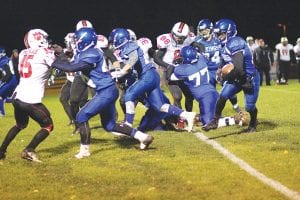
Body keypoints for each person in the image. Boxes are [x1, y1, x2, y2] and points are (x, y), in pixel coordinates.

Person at [51, 28, 154, 159]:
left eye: (77, 40)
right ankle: (143, 137)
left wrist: (53, 62)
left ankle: (84, 151)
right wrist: (60, 55)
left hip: (106, 91)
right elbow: (70, 62)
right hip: (107, 90)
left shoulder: (92, 53)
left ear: (84, 41)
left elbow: (71, 68)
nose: (74, 43)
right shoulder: (87, 52)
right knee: (109, 125)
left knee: (81, 116)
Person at [109, 28, 196, 132]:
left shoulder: (131, 46)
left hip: (147, 75)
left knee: (129, 95)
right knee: (160, 106)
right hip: (150, 76)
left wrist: (122, 71)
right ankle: (187, 115)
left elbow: (134, 59)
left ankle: (128, 125)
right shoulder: (125, 50)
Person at [0, 29, 56, 162]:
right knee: (48, 126)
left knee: (20, 125)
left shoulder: (24, 52)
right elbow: (58, 64)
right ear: (38, 39)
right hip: (30, 99)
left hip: (17, 95)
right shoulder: (44, 52)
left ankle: (1, 151)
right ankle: (29, 150)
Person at [203, 19, 260, 133]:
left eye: (221, 34)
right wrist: (220, 70)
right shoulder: (224, 44)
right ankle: (215, 120)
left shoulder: (235, 42)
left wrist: (226, 77)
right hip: (238, 76)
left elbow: (238, 68)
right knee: (222, 96)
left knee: (249, 107)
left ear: (229, 32)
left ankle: (253, 122)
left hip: (249, 78)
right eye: (217, 34)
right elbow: (224, 60)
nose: (218, 36)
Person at [194, 19, 242, 114]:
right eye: (202, 30)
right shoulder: (197, 42)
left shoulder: (219, 39)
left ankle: (236, 107)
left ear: (211, 30)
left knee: (229, 89)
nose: (203, 32)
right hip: (207, 71)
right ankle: (209, 112)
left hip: (220, 69)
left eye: (206, 30)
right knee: (209, 94)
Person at [153, 22, 195, 113]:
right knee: (177, 96)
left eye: (181, 37)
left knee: (190, 96)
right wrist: (168, 66)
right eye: (176, 35)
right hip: (170, 71)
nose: (178, 38)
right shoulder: (166, 41)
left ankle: (189, 114)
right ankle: (180, 118)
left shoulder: (189, 39)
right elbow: (156, 57)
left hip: (184, 70)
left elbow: (195, 48)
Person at [0, 47, 19, 116]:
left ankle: (1, 113)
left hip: (11, 80)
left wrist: (3, 81)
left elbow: (8, 73)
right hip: (15, 79)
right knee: (3, 97)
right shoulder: (7, 59)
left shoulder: (3, 62)